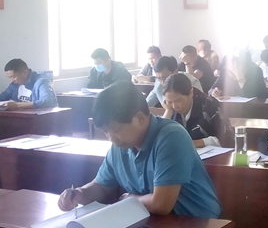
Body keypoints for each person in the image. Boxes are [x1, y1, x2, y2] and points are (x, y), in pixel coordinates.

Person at [57, 81, 222, 219]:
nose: (111, 138)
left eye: (115, 130)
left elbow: (161, 204)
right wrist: (80, 193)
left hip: (199, 225)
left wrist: (130, 199)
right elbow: (101, 186)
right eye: (106, 132)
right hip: (156, 223)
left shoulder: (171, 137)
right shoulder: (119, 146)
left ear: (140, 118)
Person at [162, 73, 234, 148]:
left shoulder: (210, 106)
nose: (174, 106)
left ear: (191, 93)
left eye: (178, 100)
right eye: (169, 102)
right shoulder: (171, 110)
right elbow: (159, 138)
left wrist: (195, 143)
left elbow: (227, 138)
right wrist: (168, 111)